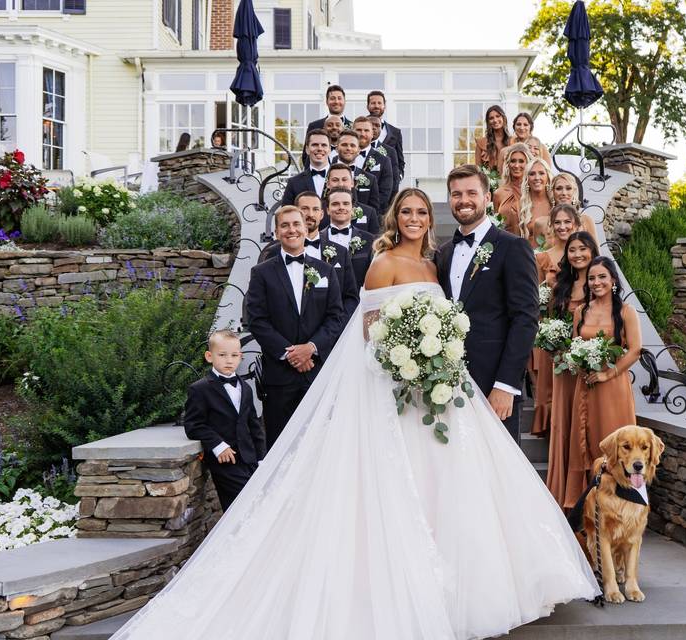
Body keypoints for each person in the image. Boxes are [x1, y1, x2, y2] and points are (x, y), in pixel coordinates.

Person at [109, 189, 598, 640]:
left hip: (440, 389)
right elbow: (366, 328)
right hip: (394, 388)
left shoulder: (437, 263)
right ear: (395, 217)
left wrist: (435, 357)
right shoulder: (381, 263)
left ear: (431, 221)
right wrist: (406, 354)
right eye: (406, 212)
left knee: (451, 483)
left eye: (422, 213)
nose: (413, 219)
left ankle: (464, 582)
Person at [435, 164, 539, 442]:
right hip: (446, 386)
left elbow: (525, 319)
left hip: (494, 386)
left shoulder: (513, 247)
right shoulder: (443, 254)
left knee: (498, 475)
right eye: (456, 194)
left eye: (471, 192)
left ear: (487, 196)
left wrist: (506, 385)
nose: (463, 200)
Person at [244, 206, 345, 449]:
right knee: (280, 446)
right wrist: (291, 354)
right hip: (279, 377)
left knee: (320, 444)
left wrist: (311, 348)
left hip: (317, 373)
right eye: (285, 225)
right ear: (277, 232)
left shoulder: (325, 271)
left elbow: (336, 317)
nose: (292, 230)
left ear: (306, 227)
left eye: (296, 224)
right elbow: (257, 320)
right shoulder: (261, 273)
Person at [567, 256, 641, 505]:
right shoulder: (581, 311)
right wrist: (578, 363)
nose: (596, 282)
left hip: (613, 386)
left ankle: (622, 503)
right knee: (586, 442)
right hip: (585, 385)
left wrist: (607, 373)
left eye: (602, 277)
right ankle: (591, 504)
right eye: (592, 278)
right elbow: (575, 344)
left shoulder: (626, 312)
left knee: (617, 444)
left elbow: (635, 350)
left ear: (613, 280)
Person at [182, 330, 265, 511]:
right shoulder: (200, 389)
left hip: (250, 459)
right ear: (209, 356)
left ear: (240, 357)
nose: (229, 360)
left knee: (260, 502)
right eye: (222, 355)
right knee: (242, 505)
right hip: (226, 463)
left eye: (234, 355)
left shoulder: (246, 388)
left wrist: (261, 459)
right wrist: (219, 445)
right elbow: (193, 425)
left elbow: (254, 426)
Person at [545, 231, 599, 508]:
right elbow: (549, 322)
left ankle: (590, 496)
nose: (577, 254)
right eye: (572, 250)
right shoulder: (560, 286)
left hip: (590, 367)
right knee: (565, 423)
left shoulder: (601, 281)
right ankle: (563, 492)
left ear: (592, 250)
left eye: (583, 249)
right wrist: (555, 344)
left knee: (587, 426)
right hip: (564, 366)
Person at [260, 192, 360, 319]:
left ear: (322, 214)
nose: (310, 214)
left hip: (333, 332)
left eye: (315, 209)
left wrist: (336, 328)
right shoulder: (273, 252)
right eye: (304, 209)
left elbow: (350, 297)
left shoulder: (340, 252)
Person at [531, 204, 584, 437]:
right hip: (551, 324)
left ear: (576, 225)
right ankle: (554, 430)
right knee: (553, 383)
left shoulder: (582, 255)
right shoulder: (542, 257)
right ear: (551, 226)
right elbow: (536, 294)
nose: (563, 227)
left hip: (578, 326)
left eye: (567, 222)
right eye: (558, 223)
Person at [320, 187, 375, 287]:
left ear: (352, 209)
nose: (341, 207)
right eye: (335, 204)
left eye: (346, 203)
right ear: (327, 210)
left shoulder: (369, 240)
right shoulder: (317, 240)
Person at [330, 130, 381, 215]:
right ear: (336, 148)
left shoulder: (371, 179)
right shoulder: (327, 174)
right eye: (344, 145)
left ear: (358, 150)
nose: (348, 148)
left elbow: (374, 212)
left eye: (352, 145)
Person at [323, 163, 379, 233]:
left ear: (352, 183)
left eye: (344, 179)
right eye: (335, 180)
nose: (340, 184)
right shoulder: (318, 210)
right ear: (328, 184)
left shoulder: (369, 213)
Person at [353, 116, 392, 213]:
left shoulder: (384, 161)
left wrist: (366, 213)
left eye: (366, 130)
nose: (362, 134)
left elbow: (385, 193)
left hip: (371, 216)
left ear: (372, 134)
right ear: (352, 132)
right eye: (358, 130)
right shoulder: (337, 158)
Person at [281, 129, 329, 206]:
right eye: (315, 145)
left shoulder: (343, 178)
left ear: (329, 149)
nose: (320, 148)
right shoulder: (293, 182)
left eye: (324, 145)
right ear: (307, 149)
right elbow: (286, 213)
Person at [492, 143, 531, 237]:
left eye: (521, 161)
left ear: (528, 163)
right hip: (506, 245)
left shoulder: (533, 191)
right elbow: (496, 227)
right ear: (508, 164)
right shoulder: (498, 193)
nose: (517, 165)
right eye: (513, 161)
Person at [550, 172, 599, 245]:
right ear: (552, 192)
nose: (564, 193)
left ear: (574, 191)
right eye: (559, 188)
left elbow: (597, 253)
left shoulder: (586, 221)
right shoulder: (544, 222)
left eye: (568, 188)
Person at [367, 90, 405, 180]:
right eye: (373, 103)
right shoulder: (358, 129)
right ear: (367, 106)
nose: (376, 106)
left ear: (384, 106)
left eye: (379, 103)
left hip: (388, 182)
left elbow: (400, 161)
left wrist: (398, 177)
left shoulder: (396, 132)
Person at [519, 157, 554, 248]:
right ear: (527, 179)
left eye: (541, 173)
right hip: (529, 258)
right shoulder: (520, 206)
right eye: (532, 174)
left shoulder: (556, 203)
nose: (537, 178)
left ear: (548, 177)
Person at [367, 114, 401, 201]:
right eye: (371, 125)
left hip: (382, 205)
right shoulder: (353, 150)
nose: (374, 128)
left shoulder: (390, 152)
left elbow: (395, 180)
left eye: (377, 125)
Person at [474, 105, 511, 170]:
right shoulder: (481, 143)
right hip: (487, 179)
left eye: (498, 116)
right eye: (491, 118)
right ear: (488, 122)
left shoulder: (513, 141)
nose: (495, 120)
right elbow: (478, 169)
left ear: (503, 118)